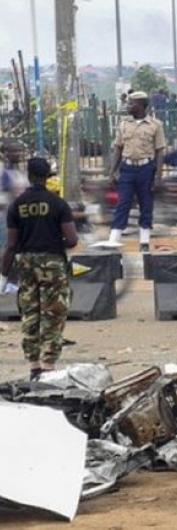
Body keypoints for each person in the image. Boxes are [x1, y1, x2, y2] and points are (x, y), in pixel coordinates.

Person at [0, 157, 78, 379]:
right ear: (47, 177)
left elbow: (11, 244)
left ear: (29, 176)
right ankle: (48, 364)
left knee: (30, 312)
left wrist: (3, 277)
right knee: (53, 312)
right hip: (53, 262)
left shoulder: (17, 205)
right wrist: (53, 241)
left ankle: (34, 364)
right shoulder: (58, 204)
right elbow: (72, 240)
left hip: (26, 263)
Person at [102, 91, 166, 252]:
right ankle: (114, 239)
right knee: (123, 204)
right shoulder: (123, 124)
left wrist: (158, 177)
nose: (128, 106)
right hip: (127, 168)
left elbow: (159, 151)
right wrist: (112, 172)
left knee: (146, 205)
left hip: (146, 168)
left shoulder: (155, 125)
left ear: (141, 105)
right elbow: (118, 148)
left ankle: (144, 243)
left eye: (131, 103)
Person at [0, 140, 28, 249]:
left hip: (20, 214)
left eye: (20, 151)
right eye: (14, 151)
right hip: (6, 216)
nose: (19, 154)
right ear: (6, 153)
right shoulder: (3, 172)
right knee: (6, 247)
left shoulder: (21, 172)